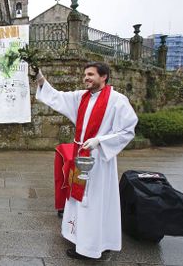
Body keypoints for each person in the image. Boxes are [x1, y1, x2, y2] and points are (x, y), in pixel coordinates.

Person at [35, 62, 138, 259]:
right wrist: (40, 78)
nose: (86, 78)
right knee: (79, 199)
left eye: (91, 74)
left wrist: (100, 141)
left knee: (94, 202)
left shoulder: (117, 100)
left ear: (104, 76)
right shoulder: (81, 97)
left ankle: (89, 248)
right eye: (85, 75)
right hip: (79, 155)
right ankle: (83, 239)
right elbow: (56, 97)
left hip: (99, 161)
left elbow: (127, 130)